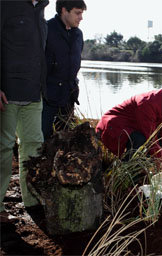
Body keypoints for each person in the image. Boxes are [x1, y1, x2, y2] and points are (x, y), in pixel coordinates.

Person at [96, 80, 162, 188]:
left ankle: (133, 170)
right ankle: (124, 176)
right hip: (112, 128)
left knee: (147, 145)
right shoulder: (147, 103)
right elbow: (151, 140)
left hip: (132, 129)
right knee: (141, 141)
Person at [0, 0, 49, 223]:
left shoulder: (41, 10)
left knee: (33, 145)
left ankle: (31, 200)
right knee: (3, 148)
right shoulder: (6, 4)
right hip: (7, 91)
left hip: (33, 93)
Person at [41, 0, 87, 141]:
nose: (81, 17)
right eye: (77, 13)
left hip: (69, 98)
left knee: (65, 142)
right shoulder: (46, 29)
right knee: (41, 140)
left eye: (82, 13)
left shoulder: (78, 34)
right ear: (63, 11)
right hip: (47, 98)